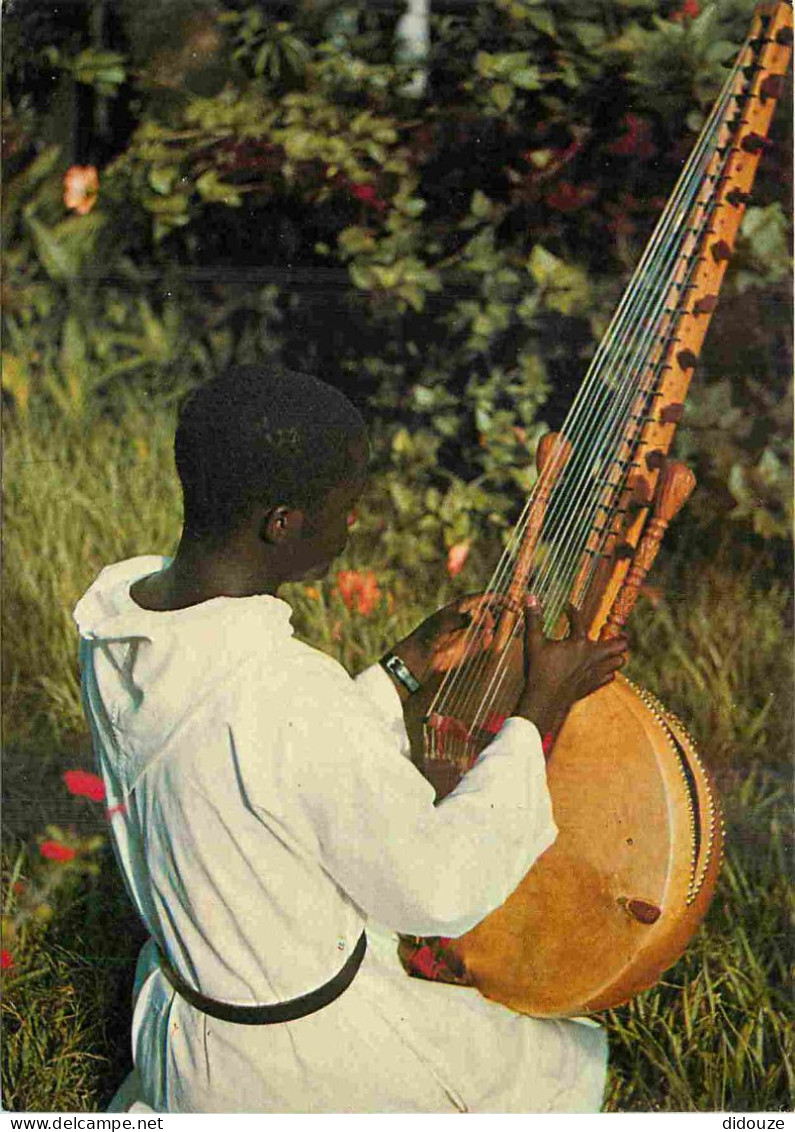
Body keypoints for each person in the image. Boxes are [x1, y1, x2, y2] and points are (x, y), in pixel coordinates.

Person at [74, 364, 628, 1114]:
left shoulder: (124, 617)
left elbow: (254, 771)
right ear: (282, 522)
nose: (355, 524)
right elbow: (435, 889)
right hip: (288, 1072)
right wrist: (535, 708)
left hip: (188, 1024)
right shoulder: (282, 689)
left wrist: (400, 668)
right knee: (563, 1063)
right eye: (348, 506)